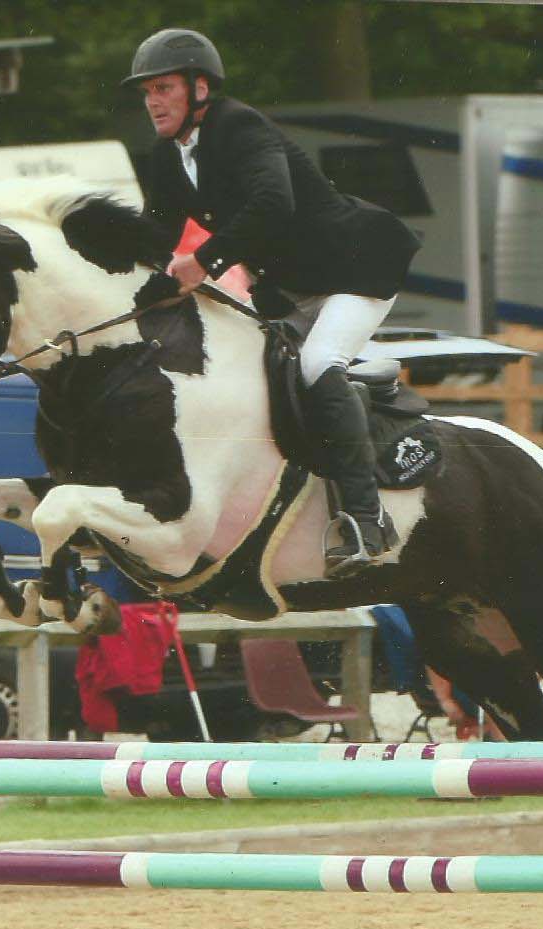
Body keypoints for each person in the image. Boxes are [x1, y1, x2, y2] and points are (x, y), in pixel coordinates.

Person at [124, 28, 421, 579]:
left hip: (354, 269)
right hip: (289, 288)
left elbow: (272, 204)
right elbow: (154, 235)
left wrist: (204, 260)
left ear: (200, 88)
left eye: (163, 88)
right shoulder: (168, 156)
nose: (153, 102)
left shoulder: (238, 125)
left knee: (314, 365)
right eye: (146, 93)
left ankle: (367, 518)